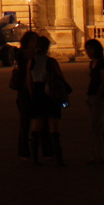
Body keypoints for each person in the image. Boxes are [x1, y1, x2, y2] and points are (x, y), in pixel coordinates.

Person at [26, 35, 68, 167]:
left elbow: (29, 81)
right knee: (54, 126)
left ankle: (34, 157)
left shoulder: (31, 62)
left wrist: (33, 95)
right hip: (50, 94)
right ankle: (58, 157)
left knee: (36, 126)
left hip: (38, 93)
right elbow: (61, 78)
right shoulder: (51, 62)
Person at [8, 30, 39, 160]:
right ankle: (37, 150)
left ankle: (24, 151)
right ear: (31, 42)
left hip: (23, 90)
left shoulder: (20, 54)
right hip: (30, 89)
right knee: (37, 121)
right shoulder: (32, 55)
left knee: (25, 122)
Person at [83, 39, 104, 165]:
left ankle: (97, 156)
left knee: (95, 127)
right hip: (91, 96)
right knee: (97, 127)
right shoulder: (92, 63)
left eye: (90, 49)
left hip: (99, 97)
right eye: (87, 49)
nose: (88, 51)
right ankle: (101, 155)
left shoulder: (102, 63)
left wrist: (99, 96)